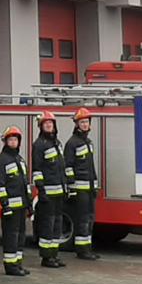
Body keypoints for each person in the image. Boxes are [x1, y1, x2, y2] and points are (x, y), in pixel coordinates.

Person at [29, 111, 68, 268]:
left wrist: (65, 187)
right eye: (46, 124)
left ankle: (54, 254)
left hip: (59, 192)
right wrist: (41, 190)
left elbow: (61, 167)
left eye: (51, 123)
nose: (49, 126)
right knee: (47, 225)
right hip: (48, 194)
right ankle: (46, 257)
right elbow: (37, 170)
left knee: (57, 224)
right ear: (41, 126)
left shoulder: (56, 143)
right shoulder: (39, 145)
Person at [0, 126, 33, 276]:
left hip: (21, 206)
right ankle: (10, 266)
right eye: (10, 139)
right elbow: (0, 185)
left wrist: (29, 204)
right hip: (10, 208)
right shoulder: (1, 160)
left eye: (15, 139)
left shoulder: (19, 159)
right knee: (11, 236)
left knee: (20, 236)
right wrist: (5, 205)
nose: (13, 142)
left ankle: (18, 264)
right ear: (5, 142)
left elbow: (25, 183)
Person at [64, 107, 101, 260]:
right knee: (83, 219)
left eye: (86, 122)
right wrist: (72, 188)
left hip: (89, 187)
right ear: (77, 124)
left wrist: (95, 185)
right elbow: (68, 167)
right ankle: (82, 250)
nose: (85, 124)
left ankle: (87, 248)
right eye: (82, 122)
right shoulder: (72, 143)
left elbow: (91, 166)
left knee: (90, 218)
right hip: (80, 189)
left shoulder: (88, 142)